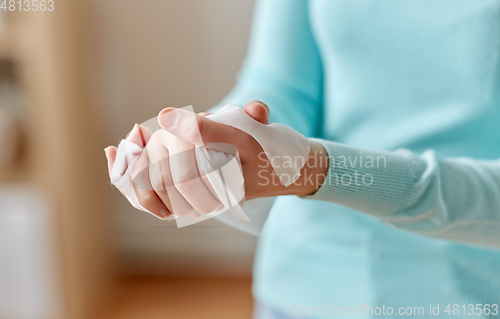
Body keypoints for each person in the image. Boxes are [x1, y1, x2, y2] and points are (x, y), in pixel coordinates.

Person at [105, 0, 500, 317]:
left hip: (466, 296)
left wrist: (318, 168)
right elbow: (282, 86)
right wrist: (216, 140)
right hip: (301, 290)